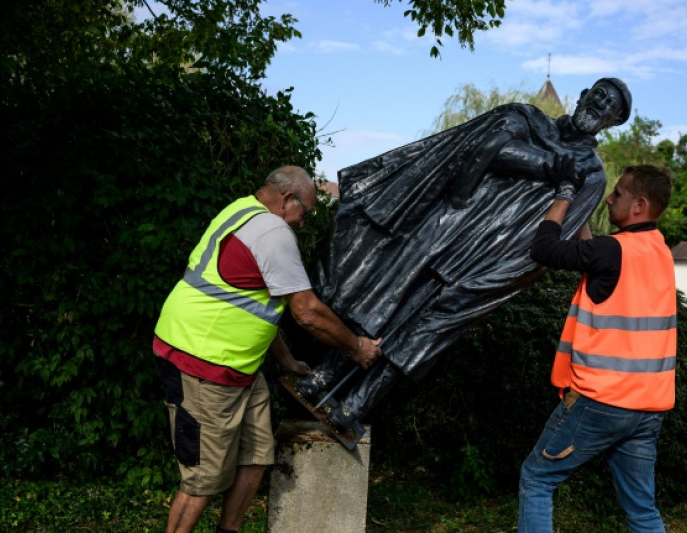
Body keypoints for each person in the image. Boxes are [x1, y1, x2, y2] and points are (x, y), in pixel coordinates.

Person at [294, 79, 633, 435]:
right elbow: (487, 148)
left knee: (424, 330)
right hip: (448, 223)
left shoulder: (592, 174)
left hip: (491, 255)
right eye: (597, 94)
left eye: (609, 105)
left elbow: (559, 234)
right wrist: (552, 165)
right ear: (582, 95)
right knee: (385, 295)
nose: (598, 104)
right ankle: (324, 374)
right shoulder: (528, 117)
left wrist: (504, 277)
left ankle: (355, 406)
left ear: (614, 120)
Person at [152, 165, 382, 533]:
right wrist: (357, 347)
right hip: (202, 361)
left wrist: (286, 359)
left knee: (257, 454)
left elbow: (250, 303)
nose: (304, 223)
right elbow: (306, 312)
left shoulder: (240, 210)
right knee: (202, 480)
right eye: (304, 212)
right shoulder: (273, 232)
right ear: (287, 199)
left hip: (237, 363)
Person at [517, 164, 677, 533]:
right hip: (648, 408)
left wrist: (565, 195)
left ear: (638, 205)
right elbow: (591, 252)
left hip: (602, 401)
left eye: (616, 193)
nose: (610, 198)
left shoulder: (613, 251)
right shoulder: (659, 251)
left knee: (537, 479)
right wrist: (583, 209)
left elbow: (543, 249)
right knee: (642, 510)